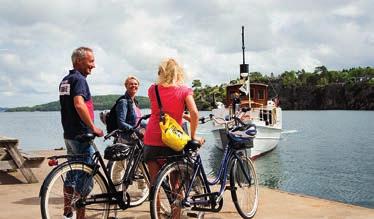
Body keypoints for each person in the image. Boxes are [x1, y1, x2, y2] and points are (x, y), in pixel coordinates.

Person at [143, 58, 204, 218]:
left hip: (152, 138)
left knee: (154, 183)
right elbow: (195, 113)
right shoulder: (184, 91)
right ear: (178, 73)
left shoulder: (152, 89)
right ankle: (175, 216)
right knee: (176, 185)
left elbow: (161, 110)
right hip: (172, 140)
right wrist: (193, 136)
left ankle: (155, 214)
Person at [59, 46, 103, 219]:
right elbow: (78, 104)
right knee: (86, 175)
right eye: (90, 61)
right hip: (81, 135)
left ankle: (67, 213)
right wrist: (93, 127)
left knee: (72, 173)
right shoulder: (79, 80)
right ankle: (80, 216)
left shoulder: (65, 80)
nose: (93, 65)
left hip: (69, 135)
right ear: (79, 61)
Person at [115, 75, 146, 142]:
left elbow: (138, 120)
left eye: (136, 84)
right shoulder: (123, 102)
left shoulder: (135, 102)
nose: (134, 86)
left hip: (137, 136)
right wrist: (136, 130)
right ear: (126, 86)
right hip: (128, 138)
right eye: (131, 84)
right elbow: (121, 123)